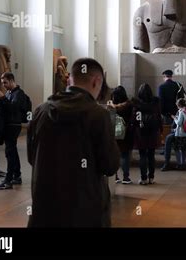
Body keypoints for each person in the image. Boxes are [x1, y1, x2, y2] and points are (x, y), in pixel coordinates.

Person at [27, 58, 119, 227]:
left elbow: (32, 157)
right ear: (96, 81)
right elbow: (110, 165)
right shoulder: (99, 115)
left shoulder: (41, 110)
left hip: (45, 207)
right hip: (85, 208)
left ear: (70, 79)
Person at [0, 73, 30, 190]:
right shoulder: (9, 93)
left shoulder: (19, 94)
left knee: (10, 152)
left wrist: (2, 98)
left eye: (5, 82)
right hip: (8, 126)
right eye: (2, 83)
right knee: (12, 151)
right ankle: (16, 176)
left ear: (12, 80)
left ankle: (8, 180)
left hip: (13, 126)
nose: (4, 85)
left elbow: (13, 109)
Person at [132, 83, 162, 185]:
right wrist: (160, 130)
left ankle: (143, 178)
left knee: (142, 155)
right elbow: (159, 117)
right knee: (151, 155)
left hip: (141, 132)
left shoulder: (137, 103)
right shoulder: (155, 102)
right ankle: (151, 178)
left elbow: (134, 119)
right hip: (153, 132)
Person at [108, 86, 134, 184]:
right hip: (125, 133)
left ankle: (115, 177)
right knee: (125, 155)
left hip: (113, 133)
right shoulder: (128, 105)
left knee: (115, 155)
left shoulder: (111, 106)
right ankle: (126, 177)